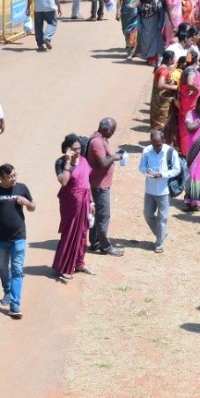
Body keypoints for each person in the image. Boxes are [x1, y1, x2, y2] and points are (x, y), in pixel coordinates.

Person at [0, 163, 33, 319]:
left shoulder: (22, 188)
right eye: (10, 176)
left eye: (15, 175)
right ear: (2, 178)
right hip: (0, 239)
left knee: (17, 270)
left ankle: (15, 305)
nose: (14, 178)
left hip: (19, 237)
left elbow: (33, 207)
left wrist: (27, 203)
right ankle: (7, 291)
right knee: (3, 267)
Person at [52, 134, 93, 283]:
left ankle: (79, 263)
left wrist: (92, 202)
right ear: (67, 150)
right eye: (74, 149)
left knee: (82, 233)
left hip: (84, 201)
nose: (77, 152)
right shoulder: (60, 162)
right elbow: (64, 181)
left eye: (79, 148)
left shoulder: (84, 161)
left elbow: (87, 183)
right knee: (69, 233)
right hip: (70, 204)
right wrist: (68, 162)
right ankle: (65, 267)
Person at [87, 118, 123, 256]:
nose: (113, 134)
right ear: (106, 129)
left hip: (100, 184)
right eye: (112, 131)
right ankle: (105, 247)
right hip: (99, 186)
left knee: (99, 214)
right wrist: (115, 157)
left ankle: (95, 241)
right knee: (104, 215)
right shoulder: (97, 142)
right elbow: (102, 163)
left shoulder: (101, 138)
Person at [140, 127, 179, 252]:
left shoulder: (171, 152)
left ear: (164, 140)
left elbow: (176, 170)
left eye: (159, 145)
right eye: (154, 145)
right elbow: (141, 166)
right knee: (147, 214)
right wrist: (147, 171)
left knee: (163, 217)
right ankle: (161, 233)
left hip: (164, 190)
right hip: (150, 189)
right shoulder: (146, 151)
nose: (157, 147)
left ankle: (159, 243)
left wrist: (162, 174)